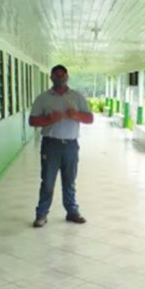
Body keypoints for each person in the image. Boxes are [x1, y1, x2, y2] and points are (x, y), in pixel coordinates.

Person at [28, 64, 94, 227]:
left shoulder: (77, 97)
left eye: (63, 75)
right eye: (56, 75)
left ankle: (72, 211)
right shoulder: (43, 98)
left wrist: (76, 114)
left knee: (70, 180)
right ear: (51, 77)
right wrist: (50, 119)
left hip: (71, 145)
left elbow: (90, 119)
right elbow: (32, 121)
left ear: (67, 77)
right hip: (51, 145)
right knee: (48, 181)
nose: (60, 78)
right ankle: (41, 214)